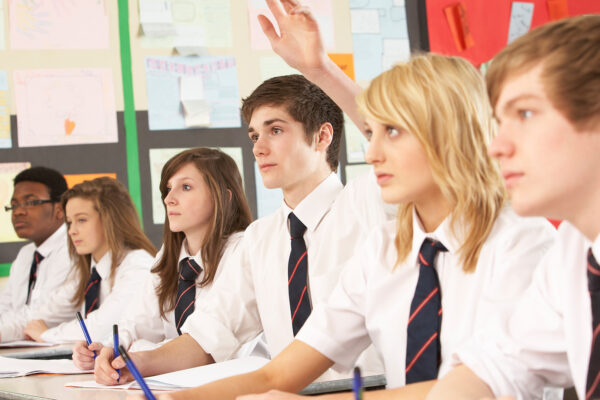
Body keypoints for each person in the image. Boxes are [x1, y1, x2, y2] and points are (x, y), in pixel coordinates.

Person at [132, 50, 558, 400]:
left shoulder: (520, 239)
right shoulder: (383, 249)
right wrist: (171, 399)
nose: (371, 154)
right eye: (371, 135)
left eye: (390, 132)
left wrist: (318, 68)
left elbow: (479, 387)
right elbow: (275, 374)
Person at [95, 74, 389, 386]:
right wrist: (136, 362)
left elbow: (409, 137)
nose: (259, 149)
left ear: (322, 136)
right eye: (254, 136)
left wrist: (317, 66)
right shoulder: (260, 238)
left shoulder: (367, 201)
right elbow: (212, 333)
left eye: (275, 130)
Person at [426, 14, 600, 400]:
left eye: (525, 114)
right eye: (499, 121)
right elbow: (498, 363)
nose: (496, 146)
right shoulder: (575, 249)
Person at [72, 148, 255, 371]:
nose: (169, 199)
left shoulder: (245, 249)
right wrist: (109, 349)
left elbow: (211, 342)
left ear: (224, 197)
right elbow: (137, 322)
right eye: (168, 189)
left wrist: (141, 351)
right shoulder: (170, 255)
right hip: (172, 383)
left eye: (185, 187)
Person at [23, 177, 156, 343]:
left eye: (81, 220)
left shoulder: (138, 265)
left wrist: (46, 335)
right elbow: (42, 313)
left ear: (111, 220)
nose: (71, 231)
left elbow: (104, 327)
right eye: (69, 222)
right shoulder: (87, 272)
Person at [0, 166, 70, 342]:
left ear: (60, 209)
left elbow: (44, 315)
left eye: (30, 202)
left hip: (63, 354)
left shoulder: (74, 249)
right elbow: (5, 306)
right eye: (14, 205)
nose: (18, 212)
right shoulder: (26, 254)